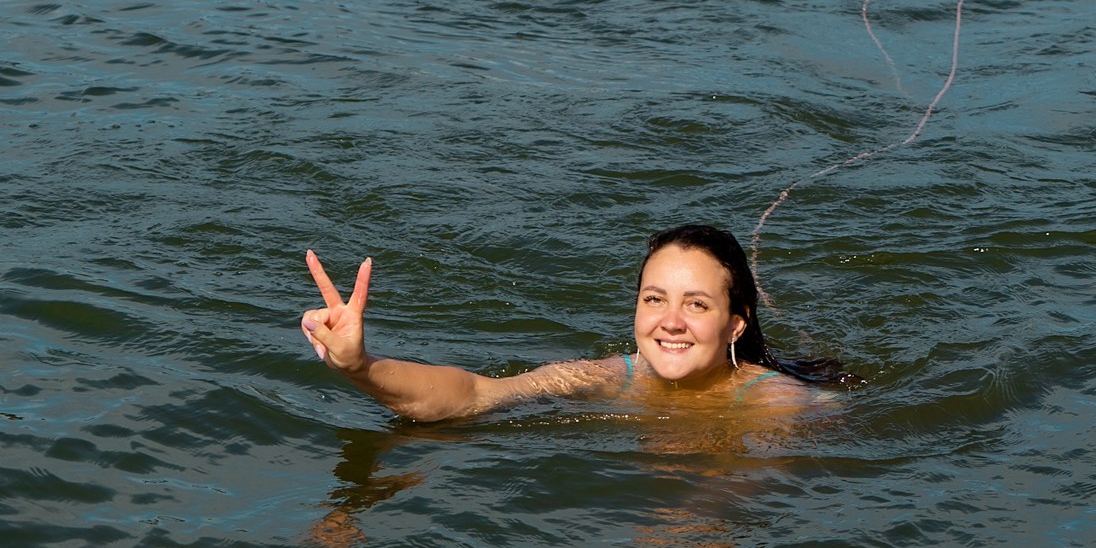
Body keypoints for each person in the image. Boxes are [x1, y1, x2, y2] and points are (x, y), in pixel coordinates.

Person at [299, 223, 846, 422]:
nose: (671, 322)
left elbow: (744, 490)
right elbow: (473, 396)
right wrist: (361, 368)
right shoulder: (613, 377)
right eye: (655, 299)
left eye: (697, 305)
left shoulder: (775, 404)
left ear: (735, 326)